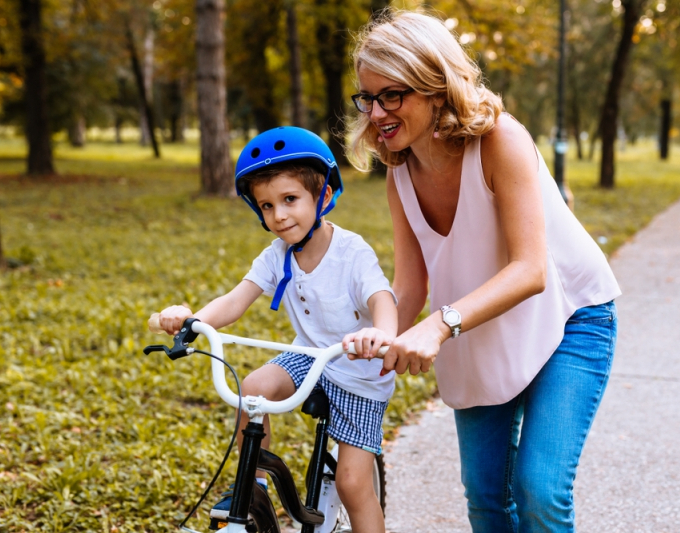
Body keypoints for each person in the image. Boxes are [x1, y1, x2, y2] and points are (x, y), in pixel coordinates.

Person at [345, 10, 621, 533]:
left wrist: (437, 325)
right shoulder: (399, 170)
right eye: (367, 97)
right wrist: (379, 336)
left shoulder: (500, 141)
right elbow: (410, 283)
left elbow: (529, 270)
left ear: (434, 86)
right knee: (487, 502)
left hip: (570, 321)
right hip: (477, 326)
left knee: (539, 490)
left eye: (391, 95)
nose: (376, 112)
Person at [155, 127, 397, 533]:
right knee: (252, 388)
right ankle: (256, 488)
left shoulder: (352, 253)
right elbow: (235, 300)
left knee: (352, 484)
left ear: (322, 196)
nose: (279, 215)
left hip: (357, 373)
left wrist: (382, 335)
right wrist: (192, 319)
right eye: (267, 205)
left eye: (290, 200)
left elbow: (381, 299)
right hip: (309, 357)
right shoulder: (277, 254)